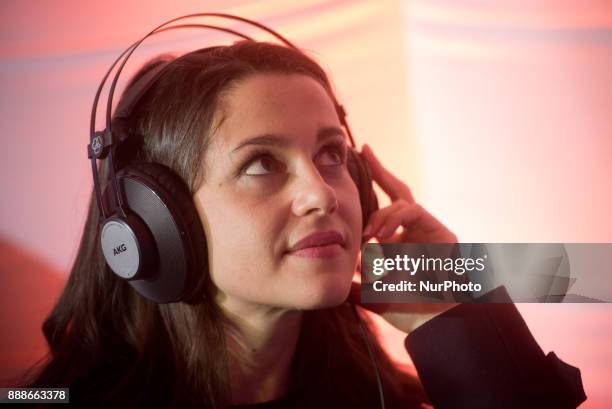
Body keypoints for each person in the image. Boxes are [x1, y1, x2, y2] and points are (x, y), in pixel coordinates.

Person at [17, 41, 585, 409]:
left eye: (332, 154)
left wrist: (460, 319)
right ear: (154, 224)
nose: (322, 193)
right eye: (260, 164)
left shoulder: (389, 397)